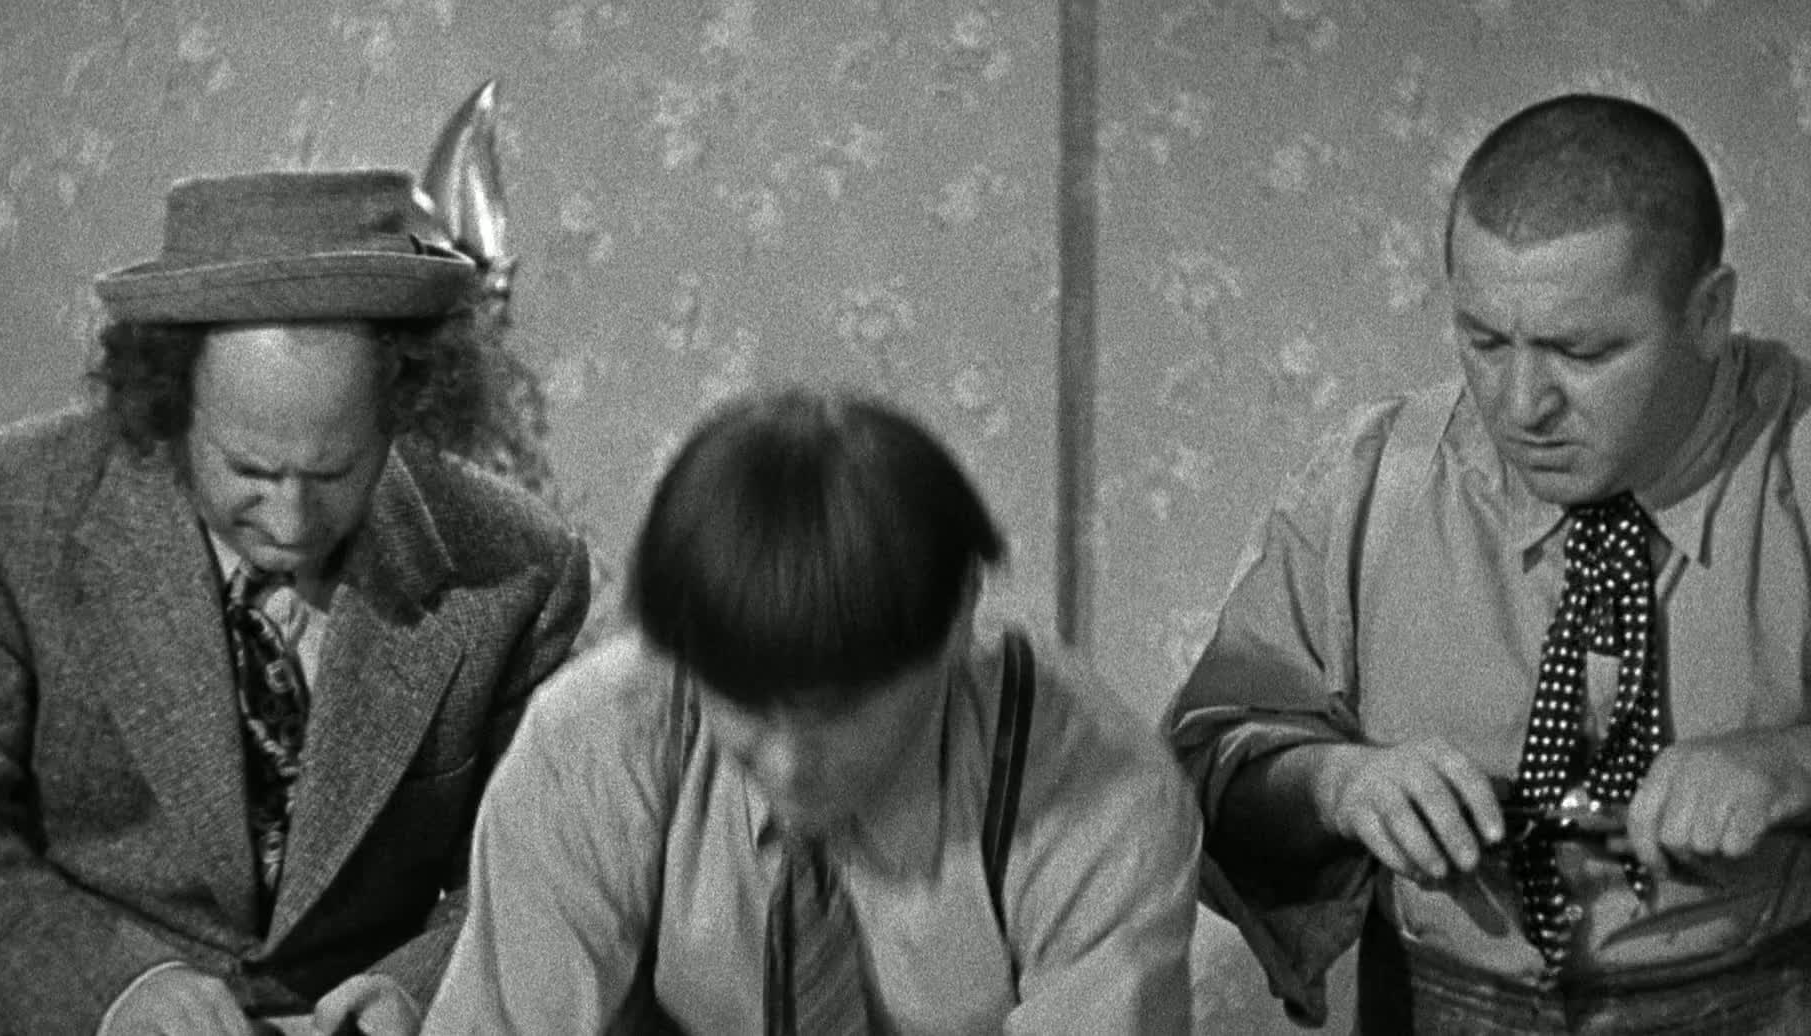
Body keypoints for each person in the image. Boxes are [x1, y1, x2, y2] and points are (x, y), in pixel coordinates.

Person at [1166, 92, 1811, 1033]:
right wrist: (1333, 784)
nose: (1521, 405)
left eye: (1580, 351)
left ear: (1709, 314)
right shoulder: (1371, 482)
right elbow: (1198, 771)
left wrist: (1794, 763)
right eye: (1484, 341)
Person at [0, 169, 591, 1035]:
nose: (292, 520)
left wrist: (417, 989)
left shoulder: (519, 572)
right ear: (169, 402)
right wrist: (117, 989)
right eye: (250, 471)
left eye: (334, 471)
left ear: (403, 407)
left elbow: (536, 869)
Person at [423, 386, 1200, 1034]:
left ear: (959, 616)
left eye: (841, 711)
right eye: (744, 704)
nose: (789, 766)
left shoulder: (1098, 794)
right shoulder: (595, 743)